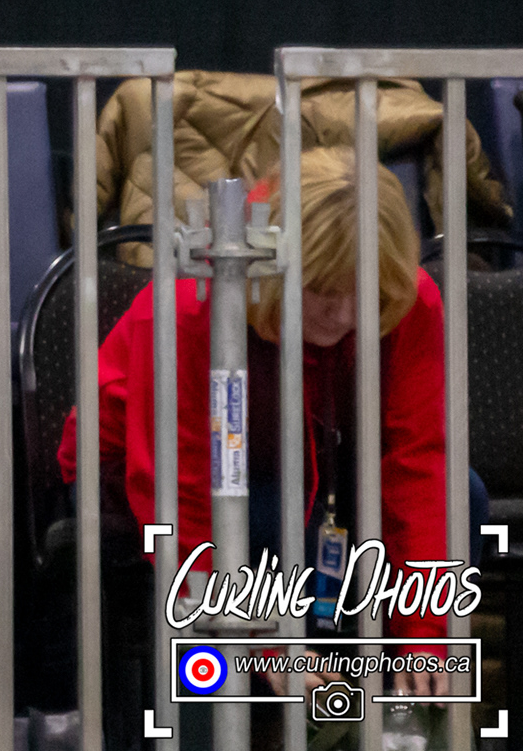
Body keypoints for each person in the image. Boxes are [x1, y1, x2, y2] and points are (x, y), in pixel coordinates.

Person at [58, 147, 487, 701]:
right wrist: (262, 643)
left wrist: (425, 636)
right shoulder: (191, 307)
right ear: (275, 268)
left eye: (365, 294)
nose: (344, 315)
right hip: (137, 478)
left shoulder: (409, 300)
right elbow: (178, 496)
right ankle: (261, 706)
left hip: (309, 463)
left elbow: (419, 466)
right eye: (323, 290)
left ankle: (379, 706)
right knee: (276, 517)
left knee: (462, 495)